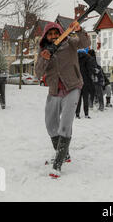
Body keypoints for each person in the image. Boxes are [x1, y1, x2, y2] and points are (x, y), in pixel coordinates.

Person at [35, 21, 90, 178]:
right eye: (50, 34)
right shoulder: (43, 50)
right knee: (51, 125)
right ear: (46, 37)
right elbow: (38, 73)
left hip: (72, 87)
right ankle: (65, 154)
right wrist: (44, 59)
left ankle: (57, 165)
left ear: (60, 33)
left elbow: (85, 42)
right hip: (54, 91)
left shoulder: (70, 43)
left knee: (65, 125)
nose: (53, 36)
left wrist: (80, 31)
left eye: (55, 33)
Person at [75, 48, 94, 119]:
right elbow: (90, 70)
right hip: (85, 81)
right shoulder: (88, 58)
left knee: (78, 99)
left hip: (77, 81)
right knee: (85, 98)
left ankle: (77, 114)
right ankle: (86, 114)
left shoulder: (75, 58)